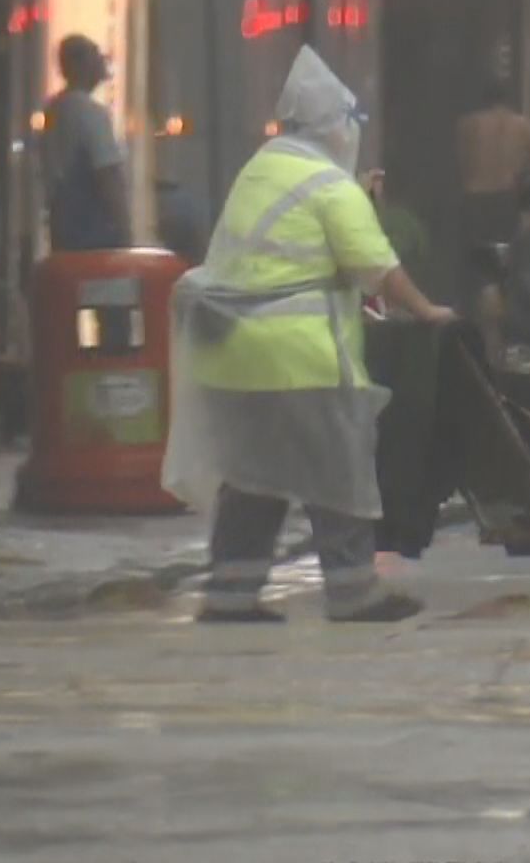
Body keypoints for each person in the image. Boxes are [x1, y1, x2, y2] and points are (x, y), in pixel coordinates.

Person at [163, 47, 457, 624]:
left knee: (255, 476)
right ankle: (353, 591)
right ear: (336, 127)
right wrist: (427, 312)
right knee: (336, 471)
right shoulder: (329, 185)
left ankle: (230, 592)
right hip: (301, 359)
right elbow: (375, 267)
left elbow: (293, 256)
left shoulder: (261, 170)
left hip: (232, 358)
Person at [453, 78, 530, 356]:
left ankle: (479, 338)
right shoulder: (524, 126)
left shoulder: (467, 126)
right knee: (507, 269)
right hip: (508, 201)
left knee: (477, 271)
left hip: (475, 200)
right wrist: (529, 210)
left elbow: (462, 164)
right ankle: (501, 336)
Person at [38, 35, 132, 252]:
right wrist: (126, 234)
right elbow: (108, 177)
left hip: (62, 236)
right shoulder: (91, 114)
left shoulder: (53, 111)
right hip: (96, 243)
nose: (102, 61)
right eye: (96, 55)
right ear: (79, 64)